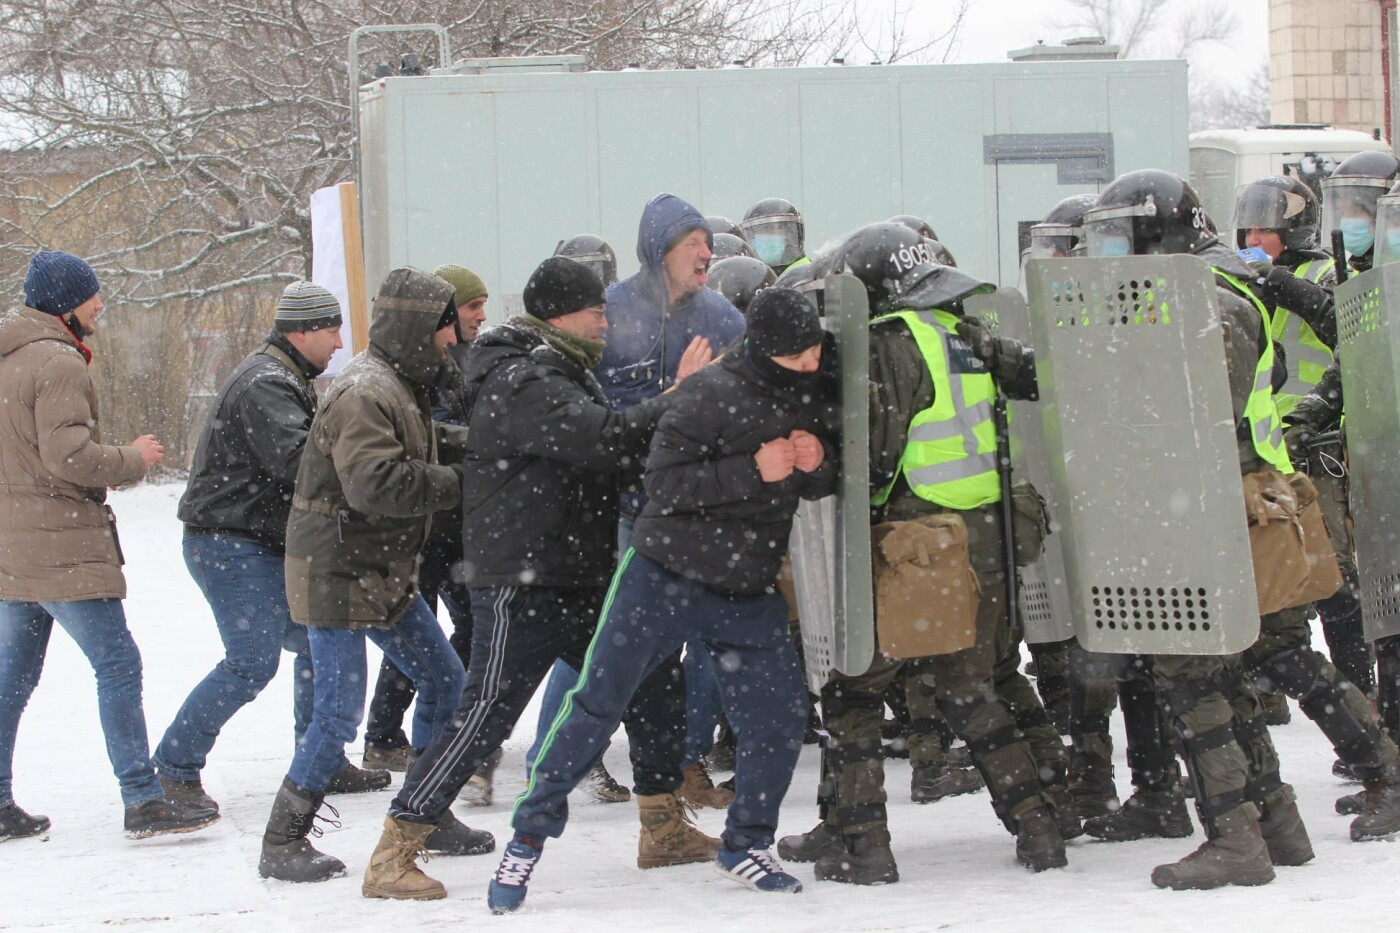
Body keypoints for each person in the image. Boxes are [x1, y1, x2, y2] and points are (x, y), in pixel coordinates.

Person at [487, 286, 839, 912]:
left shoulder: (814, 381)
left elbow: (823, 475)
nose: (811, 364)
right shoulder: (709, 392)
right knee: (598, 701)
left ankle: (745, 843)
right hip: (663, 574)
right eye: (797, 357)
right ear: (763, 350)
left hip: (745, 585)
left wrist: (818, 461)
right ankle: (527, 838)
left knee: (779, 718)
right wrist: (753, 470)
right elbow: (664, 484)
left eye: (814, 350)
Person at [360, 256, 691, 902]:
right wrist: (677, 396)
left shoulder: (558, 368)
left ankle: (663, 826)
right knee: (484, 713)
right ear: (562, 313)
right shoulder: (523, 377)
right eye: (597, 310)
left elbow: (605, 455)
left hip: (575, 575)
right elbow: (604, 440)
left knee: (654, 675)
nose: (606, 320)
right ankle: (395, 848)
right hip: (524, 580)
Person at [779, 222, 1066, 885]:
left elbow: (874, 460)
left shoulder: (888, 345)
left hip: (916, 545)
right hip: (979, 536)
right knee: (972, 687)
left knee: (854, 692)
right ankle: (1039, 827)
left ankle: (863, 846)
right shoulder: (956, 334)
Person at [1078, 169, 1322, 889]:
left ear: (1159, 233)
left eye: (1121, 238)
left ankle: (1236, 836)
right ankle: (1277, 821)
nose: (1111, 254)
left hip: (1202, 506)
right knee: (1220, 670)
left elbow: (1195, 414)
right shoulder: (1187, 291)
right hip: (1199, 504)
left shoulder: (1209, 301)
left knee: (1193, 675)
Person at [258, 267, 474, 883]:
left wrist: (483, 446)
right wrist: (465, 483)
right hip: (336, 569)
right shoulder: (364, 390)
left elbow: (423, 443)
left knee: (446, 680)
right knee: (337, 714)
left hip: (379, 569)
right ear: (417, 328)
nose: (453, 342)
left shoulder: (400, 382)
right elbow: (376, 482)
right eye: (445, 330)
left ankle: (429, 810)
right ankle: (283, 839)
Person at [0, 250, 218, 840]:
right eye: (95, 296)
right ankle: (144, 801)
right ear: (69, 304)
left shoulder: (10, 356)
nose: (102, 305)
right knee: (118, 665)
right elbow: (68, 457)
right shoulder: (58, 363)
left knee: (12, 679)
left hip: (14, 549)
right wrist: (133, 458)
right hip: (63, 550)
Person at [157, 281, 392, 814]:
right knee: (249, 662)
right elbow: (300, 468)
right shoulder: (266, 384)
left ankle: (321, 759)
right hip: (230, 544)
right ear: (302, 330)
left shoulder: (282, 375)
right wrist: (372, 477)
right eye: (331, 329)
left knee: (313, 644)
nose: (338, 342)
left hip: (247, 540)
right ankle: (174, 767)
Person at [596, 192, 747, 806]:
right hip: (634, 509)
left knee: (712, 642)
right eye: (693, 244)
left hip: (705, 509)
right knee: (626, 641)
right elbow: (593, 419)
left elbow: (748, 408)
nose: (707, 253)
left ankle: (687, 764)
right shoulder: (609, 315)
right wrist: (671, 391)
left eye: (707, 243)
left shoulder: (723, 320)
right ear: (660, 251)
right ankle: (579, 754)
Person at [362, 265, 489, 786]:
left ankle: (418, 735)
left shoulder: (461, 360)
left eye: (483, 305)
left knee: (458, 633)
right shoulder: (412, 372)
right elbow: (414, 445)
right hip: (426, 526)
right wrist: (474, 447)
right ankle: (393, 736)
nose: (480, 316)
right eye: (470, 307)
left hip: (455, 523)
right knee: (425, 635)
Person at [740, 197, 806, 273]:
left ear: (790, 235)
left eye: (773, 230)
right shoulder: (749, 274)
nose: (767, 235)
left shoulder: (805, 275)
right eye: (761, 230)